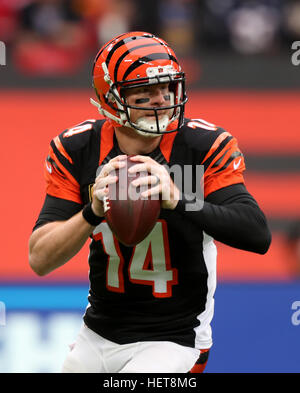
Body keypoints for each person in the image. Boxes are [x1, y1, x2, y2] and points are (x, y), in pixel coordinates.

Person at [29, 31, 271, 373]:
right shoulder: (78, 149)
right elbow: (39, 259)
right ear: (110, 97)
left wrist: (178, 199)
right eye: (144, 90)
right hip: (97, 333)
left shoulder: (203, 146)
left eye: (166, 87)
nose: (160, 98)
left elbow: (258, 235)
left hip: (175, 338)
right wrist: (92, 211)